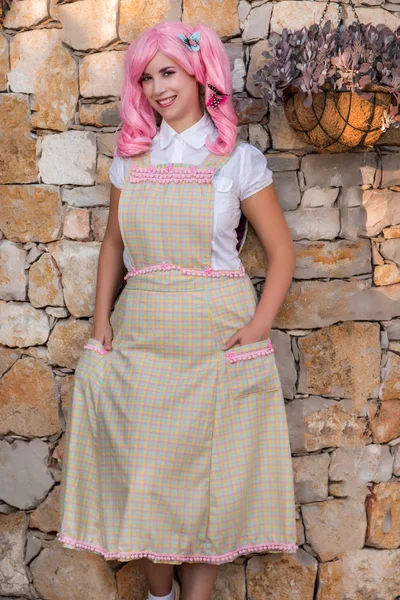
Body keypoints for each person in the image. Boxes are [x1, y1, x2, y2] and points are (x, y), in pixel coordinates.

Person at [57, 21, 298, 600]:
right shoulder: (131, 160)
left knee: (208, 479)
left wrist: (258, 327)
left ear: (199, 72)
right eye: (147, 77)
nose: (158, 87)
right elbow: (114, 245)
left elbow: (282, 249)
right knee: (147, 476)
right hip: (143, 337)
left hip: (216, 339)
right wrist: (100, 326)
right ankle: (159, 593)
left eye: (168, 72)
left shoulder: (237, 160)